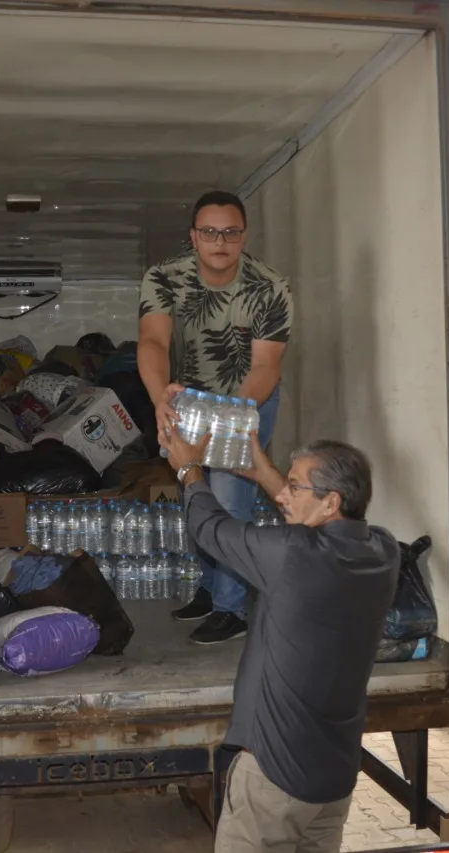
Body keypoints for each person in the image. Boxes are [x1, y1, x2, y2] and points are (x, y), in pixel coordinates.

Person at [160, 425, 401, 853]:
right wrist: (265, 473)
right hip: (333, 778)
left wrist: (189, 470)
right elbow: (318, 522)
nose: (284, 495)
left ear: (331, 501)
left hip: (274, 777)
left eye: (294, 486)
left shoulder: (292, 554)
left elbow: (211, 528)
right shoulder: (383, 550)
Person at [137, 189, 295, 645]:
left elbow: (267, 366)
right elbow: (152, 342)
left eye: (230, 232)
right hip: (184, 399)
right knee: (194, 491)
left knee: (228, 499)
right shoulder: (164, 277)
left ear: (243, 236)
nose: (219, 241)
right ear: (194, 236)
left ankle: (231, 607)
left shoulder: (270, 286)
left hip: (248, 400)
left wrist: (225, 418)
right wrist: (159, 400)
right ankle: (209, 588)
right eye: (209, 232)